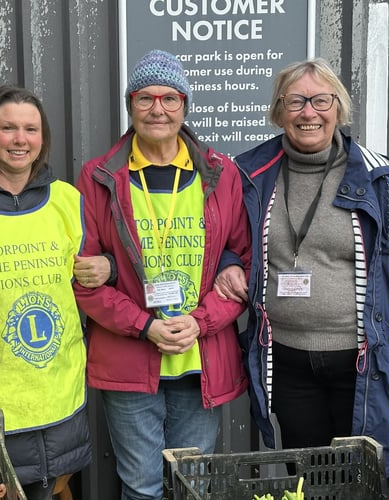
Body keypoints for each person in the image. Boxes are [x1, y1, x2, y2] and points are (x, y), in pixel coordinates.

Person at [214, 58, 389, 498]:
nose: (309, 112)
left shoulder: (383, 182)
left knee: (365, 479)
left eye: (321, 100)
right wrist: (229, 258)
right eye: (296, 101)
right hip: (287, 364)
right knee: (307, 481)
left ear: (338, 108)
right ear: (278, 111)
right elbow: (223, 234)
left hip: (365, 369)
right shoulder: (248, 176)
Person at [74, 49, 252, 500]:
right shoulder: (98, 178)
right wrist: (146, 326)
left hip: (200, 355)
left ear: (185, 106)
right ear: (130, 105)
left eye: (170, 98)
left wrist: (201, 320)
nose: (158, 109)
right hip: (130, 355)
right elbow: (83, 279)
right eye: (146, 98)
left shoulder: (220, 174)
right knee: (142, 488)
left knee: (193, 486)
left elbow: (242, 262)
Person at [0, 85, 108, 500]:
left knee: (54, 489)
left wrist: (109, 267)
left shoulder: (68, 200)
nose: (19, 139)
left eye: (30, 129)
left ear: (43, 137)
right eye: (8, 127)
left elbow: (106, 268)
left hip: (59, 393)